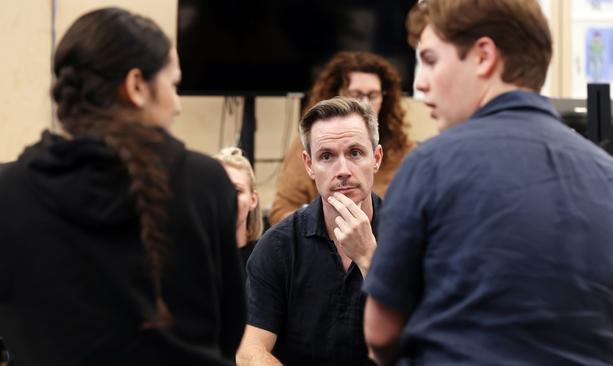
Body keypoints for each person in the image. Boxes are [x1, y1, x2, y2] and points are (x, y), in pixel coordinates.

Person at [363, 1, 613, 365]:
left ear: (484, 56)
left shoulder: (429, 164)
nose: (420, 83)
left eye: (432, 60)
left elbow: (380, 334)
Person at [0, 7, 245, 366]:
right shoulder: (206, 183)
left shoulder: (8, 193)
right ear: (136, 86)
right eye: (174, 85)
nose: (177, 105)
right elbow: (230, 329)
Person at [237, 97, 383, 365]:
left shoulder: (410, 236)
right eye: (326, 156)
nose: (343, 171)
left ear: (376, 158)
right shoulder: (278, 246)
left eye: (355, 153)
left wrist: (368, 259)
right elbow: (249, 351)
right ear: (309, 165)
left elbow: (424, 341)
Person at [268, 51, 415, 225]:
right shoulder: (310, 144)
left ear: (377, 157)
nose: (366, 103)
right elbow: (281, 210)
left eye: (373, 95)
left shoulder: (405, 151)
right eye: (357, 95)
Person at [215, 147, 263, 266]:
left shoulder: (267, 257)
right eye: (218, 189)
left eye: (237, 190)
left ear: (253, 200)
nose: (227, 198)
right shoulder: (192, 259)